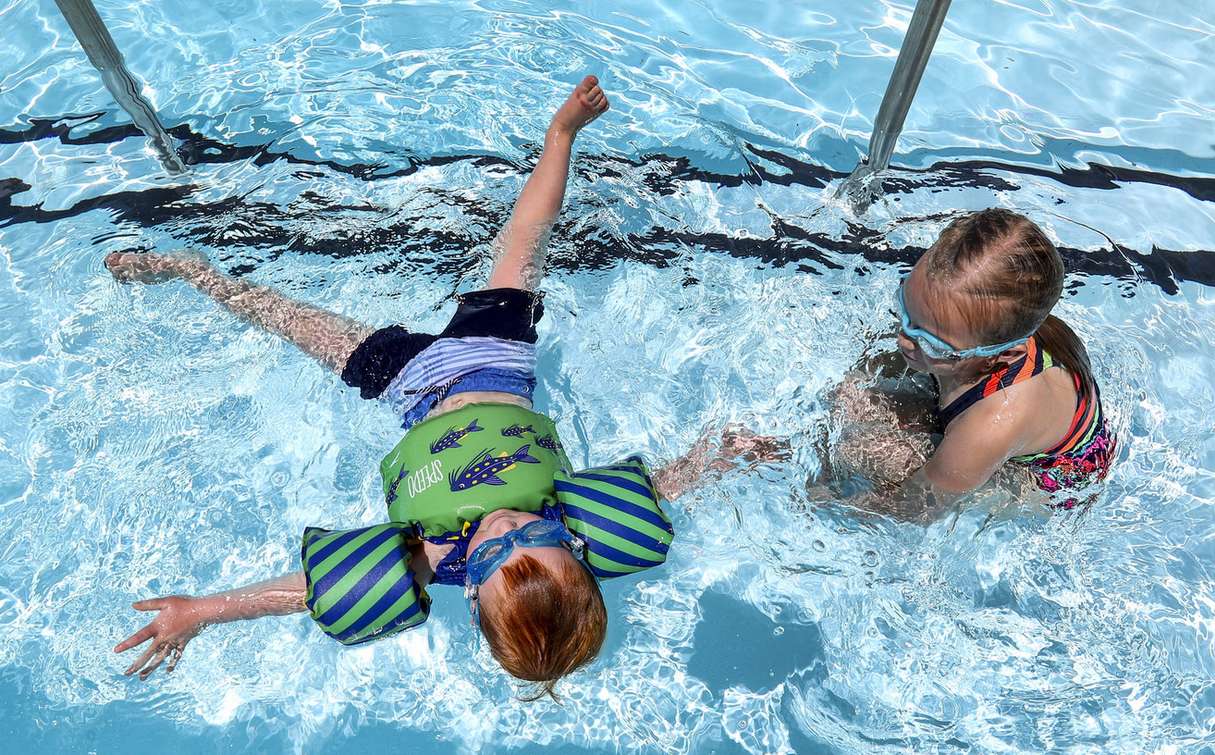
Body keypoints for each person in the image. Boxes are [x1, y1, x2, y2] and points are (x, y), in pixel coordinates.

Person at [110, 76, 693, 700]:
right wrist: (736, 450)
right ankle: (560, 135)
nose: (505, 529)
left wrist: (200, 611)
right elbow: (677, 481)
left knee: (281, 317)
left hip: (407, 385)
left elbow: (303, 593)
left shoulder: (435, 562)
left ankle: (196, 274)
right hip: (491, 360)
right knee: (526, 242)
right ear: (573, 549)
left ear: (473, 597)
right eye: (536, 535)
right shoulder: (579, 518)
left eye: (500, 556)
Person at [827, 209, 1117, 519]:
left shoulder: (993, 424)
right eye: (905, 308)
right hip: (979, 404)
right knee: (854, 399)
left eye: (931, 342)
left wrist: (820, 499)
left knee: (864, 450)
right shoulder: (970, 328)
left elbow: (913, 510)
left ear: (1005, 354)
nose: (904, 340)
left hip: (1048, 481)